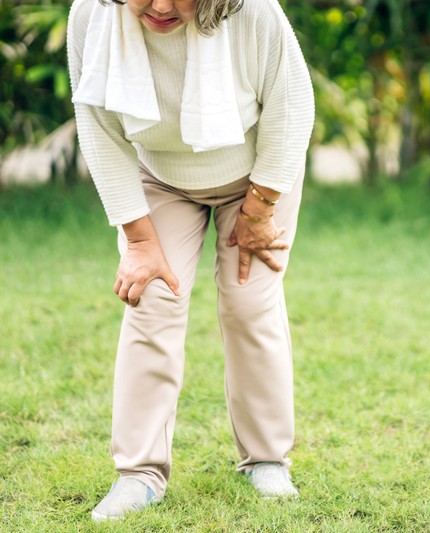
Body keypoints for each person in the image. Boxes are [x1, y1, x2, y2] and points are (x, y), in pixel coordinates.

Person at [66, 0, 314, 521]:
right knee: (152, 300)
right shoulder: (91, 14)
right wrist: (138, 240)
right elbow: (98, 126)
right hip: (159, 178)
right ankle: (138, 475)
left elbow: (291, 106)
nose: (159, 6)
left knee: (249, 304)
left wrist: (259, 209)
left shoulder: (255, 13)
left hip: (257, 178)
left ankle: (267, 460)